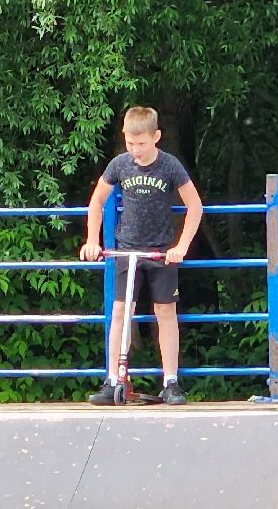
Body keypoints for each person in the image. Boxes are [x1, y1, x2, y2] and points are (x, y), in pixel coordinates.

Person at [79, 106, 204, 405]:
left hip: (161, 253)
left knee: (165, 313)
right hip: (127, 249)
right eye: (130, 143)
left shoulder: (170, 166)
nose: (135, 150)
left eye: (142, 144)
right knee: (120, 312)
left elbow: (195, 206)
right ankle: (113, 380)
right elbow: (97, 201)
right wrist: (92, 240)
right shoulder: (120, 165)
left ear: (156, 137)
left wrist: (181, 246)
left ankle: (171, 382)